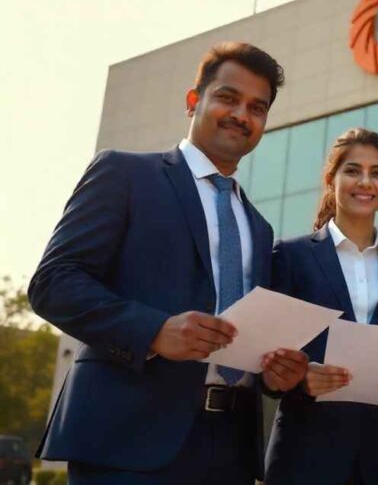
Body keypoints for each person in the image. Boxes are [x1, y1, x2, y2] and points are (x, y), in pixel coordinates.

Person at [28, 43, 309, 485]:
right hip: (127, 441)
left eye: (257, 108)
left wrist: (276, 373)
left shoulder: (258, 226)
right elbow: (53, 283)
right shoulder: (124, 174)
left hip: (230, 449)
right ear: (193, 100)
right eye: (228, 98)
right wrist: (155, 332)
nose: (241, 115)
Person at [263, 128, 378, 484]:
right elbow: (264, 358)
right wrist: (300, 377)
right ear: (330, 179)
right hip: (305, 454)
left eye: (377, 173)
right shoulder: (290, 256)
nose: (365, 182)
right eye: (352, 170)